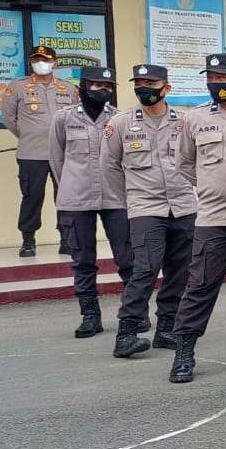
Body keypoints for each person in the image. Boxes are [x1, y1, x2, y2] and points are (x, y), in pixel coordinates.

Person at [170, 52, 226, 383]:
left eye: (222, 78)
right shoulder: (195, 118)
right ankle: (184, 352)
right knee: (201, 283)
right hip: (213, 215)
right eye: (210, 78)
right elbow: (184, 163)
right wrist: (214, 186)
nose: (215, 84)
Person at [104, 64, 198, 359]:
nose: (144, 87)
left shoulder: (184, 121)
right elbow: (109, 168)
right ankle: (127, 332)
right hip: (145, 208)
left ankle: (167, 327)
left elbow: (196, 161)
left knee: (179, 270)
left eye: (151, 82)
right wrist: (132, 201)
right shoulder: (120, 123)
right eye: (140, 82)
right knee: (145, 268)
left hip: (183, 205)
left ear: (166, 88)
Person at [50, 67, 134, 339]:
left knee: (127, 258)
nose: (102, 89)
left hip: (115, 197)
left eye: (107, 85)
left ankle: (134, 314)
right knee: (83, 260)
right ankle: (90, 316)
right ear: (83, 87)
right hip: (76, 199)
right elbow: (57, 160)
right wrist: (73, 185)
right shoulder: (63, 119)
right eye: (96, 84)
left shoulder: (119, 118)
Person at [1, 43, 77, 256]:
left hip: (63, 153)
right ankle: (28, 240)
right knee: (32, 196)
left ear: (55, 63)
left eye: (45, 60)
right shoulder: (17, 86)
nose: (41, 63)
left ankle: (66, 238)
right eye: (36, 60)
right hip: (31, 153)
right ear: (31, 62)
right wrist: (29, 135)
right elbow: (9, 119)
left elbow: (74, 118)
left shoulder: (68, 88)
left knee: (65, 197)